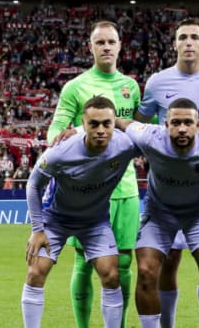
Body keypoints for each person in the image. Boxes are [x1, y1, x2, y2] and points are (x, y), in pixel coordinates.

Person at [134, 17, 199, 328]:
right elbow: (141, 120)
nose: (188, 42)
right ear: (174, 43)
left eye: (194, 37)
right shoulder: (157, 82)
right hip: (164, 186)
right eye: (183, 37)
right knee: (166, 264)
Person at [47, 20, 141, 328]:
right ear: (91, 47)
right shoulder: (75, 87)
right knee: (84, 264)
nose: (106, 47)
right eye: (100, 42)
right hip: (86, 191)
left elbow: (142, 131)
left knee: (125, 262)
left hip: (125, 187)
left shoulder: (131, 87)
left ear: (119, 46)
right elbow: (54, 134)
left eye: (111, 42)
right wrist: (76, 131)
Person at [117, 98, 199, 328]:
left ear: (198, 124)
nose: (182, 128)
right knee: (145, 271)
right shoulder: (150, 137)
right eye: (176, 122)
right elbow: (119, 122)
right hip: (160, 212)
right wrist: (76, 129)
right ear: (166, 124)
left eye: (187, 122)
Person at [21, 96, 140, 328]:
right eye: (93, 124)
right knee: (36, 272)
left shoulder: (126, 145)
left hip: (95, 222)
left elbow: (158, 135)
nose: (100, 130)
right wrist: (37, 230)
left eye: (107, 123)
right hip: (56, 220)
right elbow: (33, 184)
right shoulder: (60, 151)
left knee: (111, 275)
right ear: (83, 125)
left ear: (114, 123)